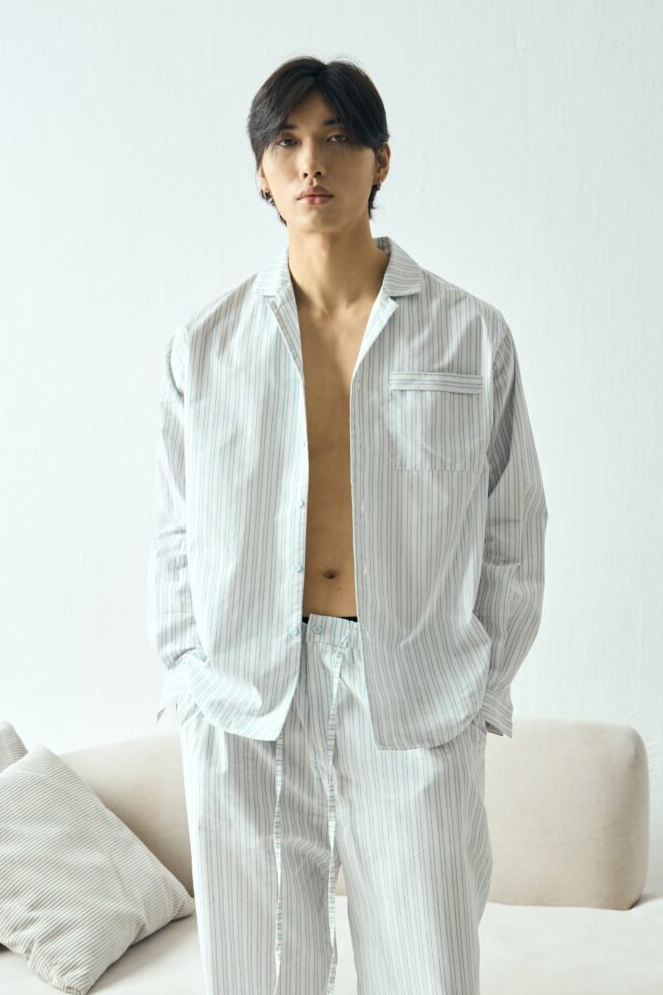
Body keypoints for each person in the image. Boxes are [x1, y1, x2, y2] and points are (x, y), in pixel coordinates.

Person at [147, 55, 548, 995]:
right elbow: (173, 535)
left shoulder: (470, 334)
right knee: (260, 971)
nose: (310, 162)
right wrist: (190, 677)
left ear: (381, 160)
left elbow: (514, 528)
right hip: (246, 690)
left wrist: (476, 686)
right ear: (260, 170)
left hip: (411, 685)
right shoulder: (204, 346)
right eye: (286, 141)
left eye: (336, 137)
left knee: (425, 963)